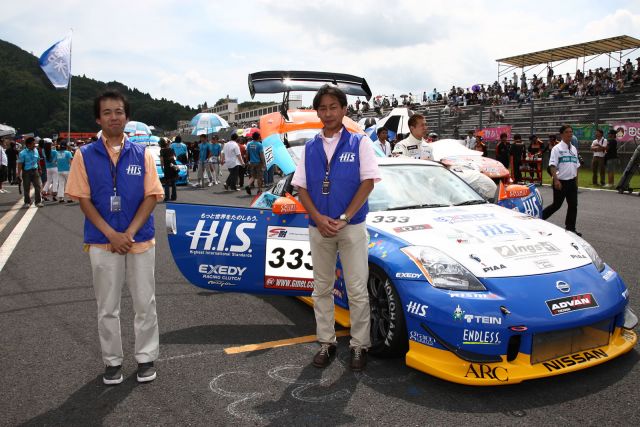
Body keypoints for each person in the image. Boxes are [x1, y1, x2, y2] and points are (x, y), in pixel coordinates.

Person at [65, 89, 164, 385]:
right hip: (101, 240)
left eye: (119, 112)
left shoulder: (142, 153)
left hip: (139, 240)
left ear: (127, 117)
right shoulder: (84, 155)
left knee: (145, 302)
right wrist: (111, 234)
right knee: (107, 306)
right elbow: (83, 199)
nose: (113, 117)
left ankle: (146, 358)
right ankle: (112, 362)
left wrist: (129, 233)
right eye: (107, 112)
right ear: (99, 118)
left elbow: (152, 196)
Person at [292, 84, 380, 372]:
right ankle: (326, 343)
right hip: (319, 227)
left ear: (344, 109)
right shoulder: (310, 147)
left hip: (351, 226)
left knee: (356, 289)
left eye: (333, 107)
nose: (328, 113)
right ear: (317, 111)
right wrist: (318, 218)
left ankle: (359, 346)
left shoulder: (360, 142)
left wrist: (344, 217)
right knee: (322, 288)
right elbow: (301, 187)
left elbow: (368, 182)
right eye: (323, 108)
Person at [542, 124, 581, 235]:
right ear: (562, 134)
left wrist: (576, 181)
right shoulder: (557, 148)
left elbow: (576, 166)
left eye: (571, 132)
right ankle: (539, 218)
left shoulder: (573, 149)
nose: (570, 134)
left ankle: (570, 228)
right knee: (556, 205)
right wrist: (556, 180)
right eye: (567, 132)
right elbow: (552, 166)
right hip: (561, 182)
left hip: (572, 182)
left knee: (573, 205)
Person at [17, 137, 44, 207]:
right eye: (33, 143)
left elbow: (38, 160)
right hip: (26, 172)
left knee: (38, 186)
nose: (35, 145)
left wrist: (40, 168)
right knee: (26, 187)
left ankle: (38, 202)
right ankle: (27, 202)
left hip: (35, 171)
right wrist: (18, 174)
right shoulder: (22, 153)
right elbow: (20, 164)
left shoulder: (36, 150)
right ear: (28, 145)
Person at [55, 138, 74, 203]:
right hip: (67, 170)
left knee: (61, 184)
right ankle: (69, 198)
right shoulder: (68, 153)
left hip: (59, 170)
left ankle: (61, 198)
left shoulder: (57, 153)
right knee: (69, 184)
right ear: (66, 146)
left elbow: (54, 161)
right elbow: (70, 162)